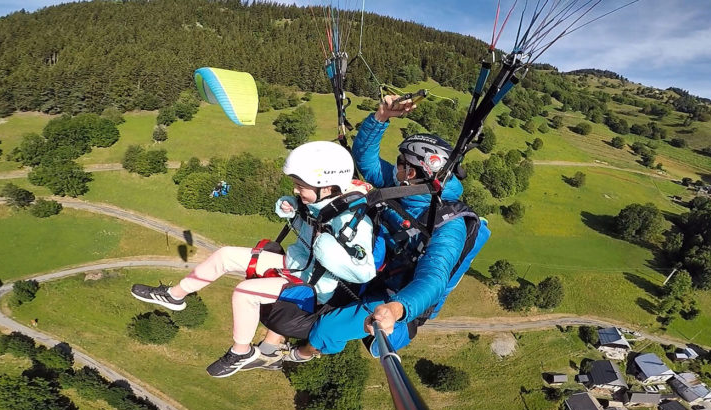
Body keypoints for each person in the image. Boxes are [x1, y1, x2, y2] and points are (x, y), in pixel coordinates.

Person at [130, 141, 376, 377]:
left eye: (300, 186)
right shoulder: (324, 204)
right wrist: (292, 210)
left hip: (312, 287)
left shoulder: (352, 222)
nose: (295, 190)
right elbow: (308, 231)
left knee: (245, 293)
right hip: (297, 265)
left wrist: (327, 249)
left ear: (327, 186)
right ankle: (175, 296)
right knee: (225, 255)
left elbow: (364, 272)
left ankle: (241, 352)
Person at [282, 96, 469, 361]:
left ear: (412, 173)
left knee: (326, 329)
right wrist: (380, 119)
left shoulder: (450, 225)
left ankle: (299, 354)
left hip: (399, 294)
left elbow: (434, 279)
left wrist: (396, 308)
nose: (396, 166)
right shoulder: (401, 188)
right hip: (376, 265)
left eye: (400, 162)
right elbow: (365, 161)